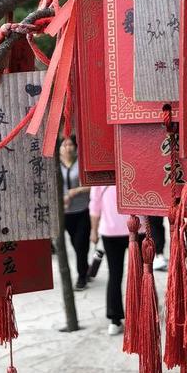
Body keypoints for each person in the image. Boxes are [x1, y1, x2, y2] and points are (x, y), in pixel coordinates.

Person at [90, 185, 142, 336]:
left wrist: (94, 230)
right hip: (135, 228)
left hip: (119, 230)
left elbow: (95, 204)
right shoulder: (133, 165)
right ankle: (138, 315)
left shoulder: (100, 170)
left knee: (117, 275)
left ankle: (116, 319)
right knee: (135, 274)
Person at [59, 136, 91, 290]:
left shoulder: (82, 162)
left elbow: (93, 184)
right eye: (64, 145)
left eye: (70, 144)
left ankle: (81, 277)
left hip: (83, 209)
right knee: (75, 243)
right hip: (64, 212)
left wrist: (75, 191)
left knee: (81, 243)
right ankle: (84, 266)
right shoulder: (55, 164)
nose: (68, 148)